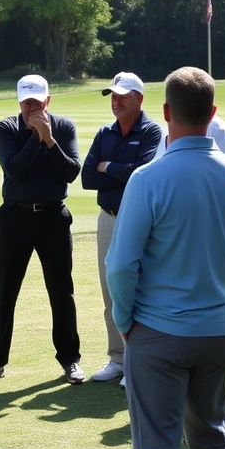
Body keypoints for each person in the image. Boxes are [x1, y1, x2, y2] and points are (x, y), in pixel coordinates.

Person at [107, 67, 225, 449]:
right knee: (212, 442)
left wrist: (125, 321)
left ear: (166, 112)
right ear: (212, 113)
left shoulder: (147, 178)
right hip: (216, 330)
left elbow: (121, 265)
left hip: (157, 330)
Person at [0, 74, 85, 385]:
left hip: (53, 218)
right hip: (15, 218)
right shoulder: (6, 128)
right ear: (19, 101)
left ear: (48, 101)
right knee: (5, 291)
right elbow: (15, 170)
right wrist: (37, 137)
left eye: (36, 101)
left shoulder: (63, 128)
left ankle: (70, 360)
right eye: (26, 102)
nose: (31, 107)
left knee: (62, 291)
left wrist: (49, 138)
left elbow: (71, 172)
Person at [81, 72, 162, 383]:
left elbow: (142, 174)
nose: (115, 101)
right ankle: (118, 358)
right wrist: (118, 171)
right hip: (108, 218)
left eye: (122, 96)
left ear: (139, 99)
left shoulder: (153, 131)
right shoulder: (105, 133)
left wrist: (108, 167)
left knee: (140, 289)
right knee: (110, 289)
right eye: (112, 96)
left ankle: (140, 360)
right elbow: (88, 177)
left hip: (139, 219)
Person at [154, 109, 225, 355]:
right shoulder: (169, 129)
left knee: (224, 290)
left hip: (211, 229)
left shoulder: (221, 130)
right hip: (177, 230)